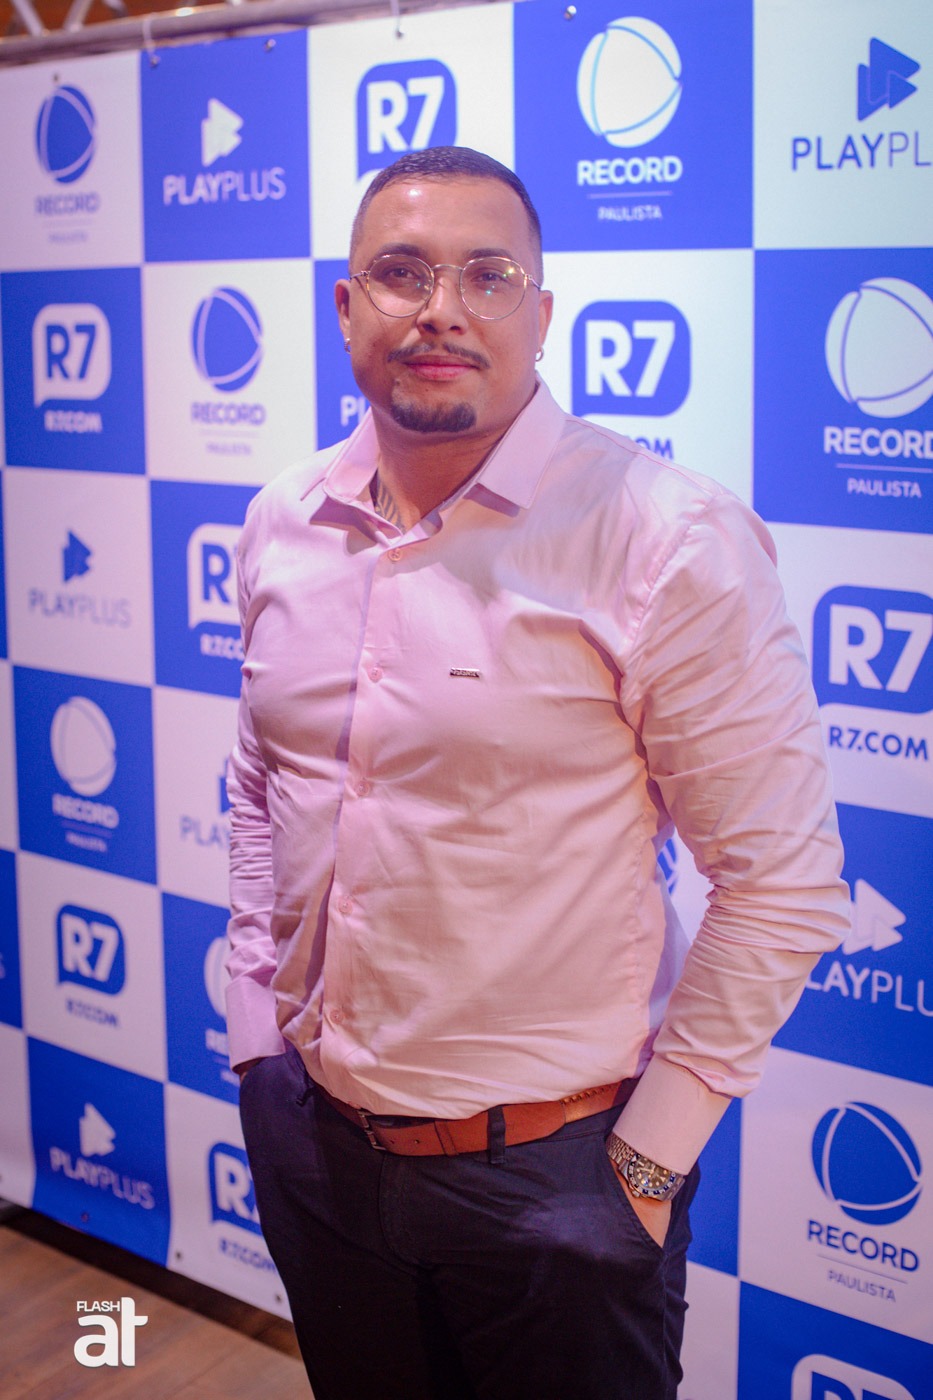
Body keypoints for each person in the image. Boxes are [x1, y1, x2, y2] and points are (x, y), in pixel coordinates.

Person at [226, 146, 848, 1400]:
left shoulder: (665, 535)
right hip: (315, 1147)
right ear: (346, 306)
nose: (441, 309)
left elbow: (781, 882)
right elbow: (260, 783)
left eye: (487, 275)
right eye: (402, 272)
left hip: (559, 1186)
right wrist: (257, 1036)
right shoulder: (282, 520)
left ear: (544, 312)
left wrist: (645, 1167)